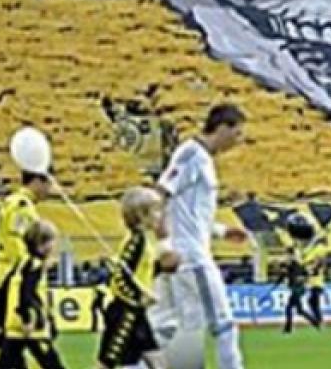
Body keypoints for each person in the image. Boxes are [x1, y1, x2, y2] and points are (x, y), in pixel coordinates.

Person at [150, 103, 247, 369]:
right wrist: (165, 246)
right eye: (237, 133)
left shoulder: (201, 158)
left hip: (183, 252)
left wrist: (221, 230)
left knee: (176, 327)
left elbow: (188, 213)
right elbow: (160, 195)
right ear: (222, 127)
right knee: (223, 324)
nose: (238, 141)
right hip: (191, 257)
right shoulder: (192, 154)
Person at [0, 146, 52, 369]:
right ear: (38, 180)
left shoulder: (12, 202)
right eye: (48, 183)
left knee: (4, 347)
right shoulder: (22, 207)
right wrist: (31, 269)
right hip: (10, 282)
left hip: (4, 278)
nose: (50, 189)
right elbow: (18, 246)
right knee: (7, 343)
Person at [98, 187, 178, 369]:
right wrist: (140, 296)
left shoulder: (143, 240)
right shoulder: (136, 241)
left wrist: (161, 268)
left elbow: (140, 272)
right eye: (155, 211)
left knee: (154, 357)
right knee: (108, 362)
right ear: (142, 215)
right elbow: (121, 277)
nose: (159, 216)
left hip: (136, 313)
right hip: (125, 312)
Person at [0, 220, 66, 369]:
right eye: (51, 241)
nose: (54, 246)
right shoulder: (35, 266)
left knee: (4, 364)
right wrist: (28, 318)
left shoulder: (21, 264)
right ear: (41, 245)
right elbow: (27, 293)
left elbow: (4, 292)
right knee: (52, 364)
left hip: (14, 328)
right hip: (32, 328)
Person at [280, 245, 321, 333]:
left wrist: (297, 279)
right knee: (299, 310)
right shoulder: (290, 265)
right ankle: (315, 322)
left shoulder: (295, 265)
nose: (285, 256)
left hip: (298, 289)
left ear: (291, 255)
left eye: (286, 254)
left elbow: (302, 275)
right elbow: (305, 273)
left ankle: (288, 328)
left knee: (289, 308)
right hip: (297, 289)